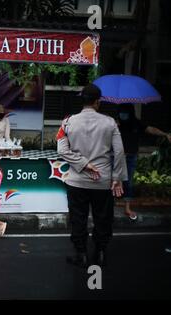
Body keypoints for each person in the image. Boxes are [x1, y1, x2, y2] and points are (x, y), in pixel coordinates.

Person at [57, 84, 127, 268]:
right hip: (103, 181)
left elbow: (61, 150)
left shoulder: (68, 122)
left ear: (83, 100)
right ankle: (101, 253)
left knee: (78, 218)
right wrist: (116, 178)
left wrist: (83, 163)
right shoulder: (110, 122)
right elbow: (119, 152)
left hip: (77, 181)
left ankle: (81, 254)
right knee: (103, 218)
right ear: (98, 102)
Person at [117, 103, 171, 220]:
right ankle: (108, 206)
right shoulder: (116, 124)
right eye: (121, 112)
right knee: (113, 181)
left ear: (130, 112)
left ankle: (127, 208)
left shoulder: (136, 123)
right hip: (117, 157)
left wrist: (165, 134)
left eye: (125, 112)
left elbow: (151, 129)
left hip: (131, 156)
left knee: (128, 182)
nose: (123, 114)